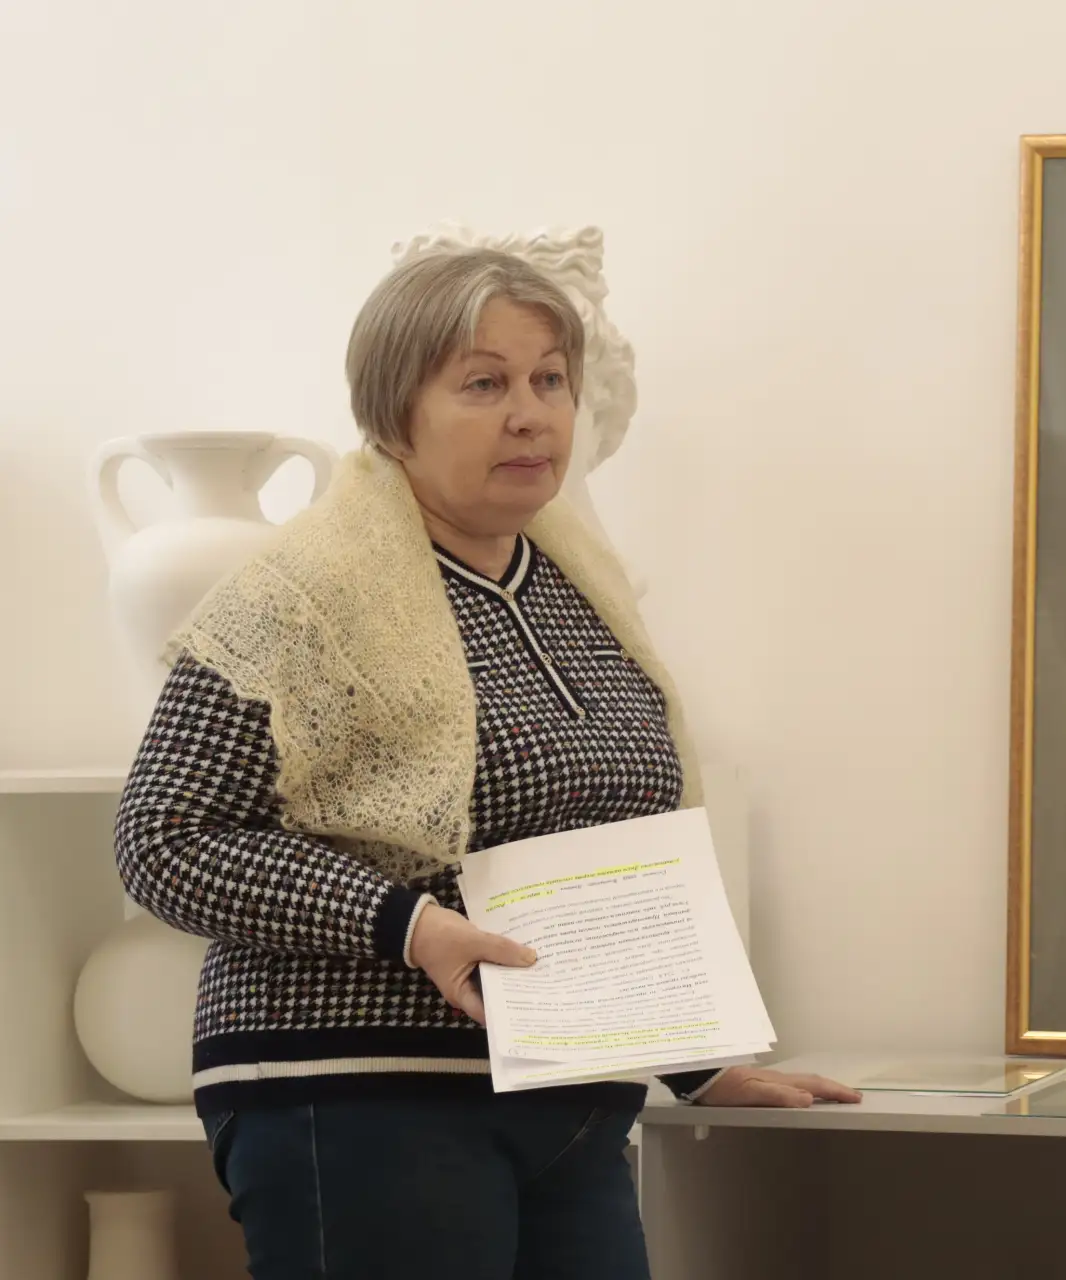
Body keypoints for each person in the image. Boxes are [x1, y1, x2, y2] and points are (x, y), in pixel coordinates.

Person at [113, 248, 857, 1279]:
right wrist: (408, 924)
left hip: (568, 1097)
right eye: (483, 383)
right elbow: (163, 840)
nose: (530, 415)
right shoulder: (296, 598)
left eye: (550, 379)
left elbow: (598, 858)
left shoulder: (578, 588)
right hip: (359, 1090)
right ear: (392, 415)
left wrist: (694, 1065)